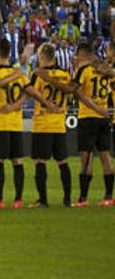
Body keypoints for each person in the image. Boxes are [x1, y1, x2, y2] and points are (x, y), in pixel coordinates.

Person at [14, 43, 73, 207]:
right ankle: (67, 199)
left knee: (40, 162)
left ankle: (43, 200)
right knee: (62, 162)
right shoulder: (64, 75)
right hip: (59, 124)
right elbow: (68, 97)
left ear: (41, 57)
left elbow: (30, 93)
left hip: (42, 124)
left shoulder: (38, 74)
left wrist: (15, 104)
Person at [0, 39, 31, 209]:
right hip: (16, 124)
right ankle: (18, 200)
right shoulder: (19, 74)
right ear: (9, 53)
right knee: (17, 161)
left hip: (0, 123)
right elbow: (29, 93)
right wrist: (15, 106)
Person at [67, 43, 114, 206]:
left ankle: (83, 198)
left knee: (86, 158)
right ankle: (109, 196)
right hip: (104, 117)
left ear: (83, 54)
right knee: (105, 156)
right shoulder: (104, 70)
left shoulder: (83, 70)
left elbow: (74, 89)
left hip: (88, 117)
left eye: (78, 55)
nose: (76, 58)